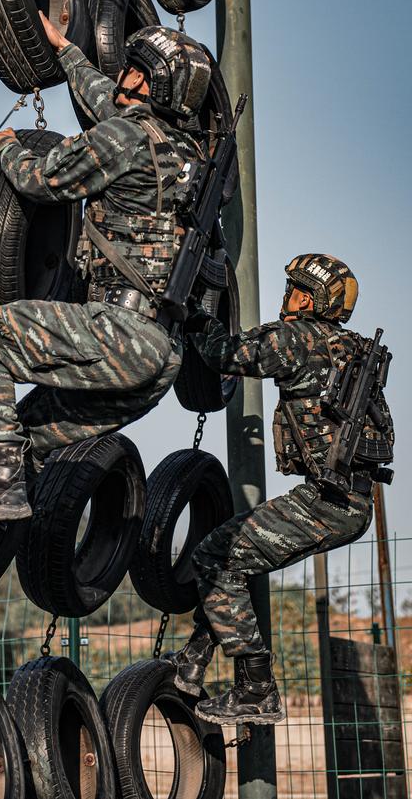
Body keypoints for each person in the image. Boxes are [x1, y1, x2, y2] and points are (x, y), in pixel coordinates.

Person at [0, 13, 214, 590]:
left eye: (137, 70)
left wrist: (2, 150)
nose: (125, 75)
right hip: (158, 362)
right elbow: (111, 104)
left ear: (153, 86)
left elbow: (43, 181)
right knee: (18, 440)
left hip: (119, 333)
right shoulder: (187, 158)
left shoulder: (126, 137)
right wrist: (66, 53)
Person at [170, 253, 394, 725]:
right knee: (239, 557)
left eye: (294, 288)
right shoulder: (349, 347)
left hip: (326, 502)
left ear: (309, 299)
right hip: (349, 500)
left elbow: (226, 354)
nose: (286, 295)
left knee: (214, 556)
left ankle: (257, 688)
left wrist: (193, 317)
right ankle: (192, 661)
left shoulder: (296, 339)